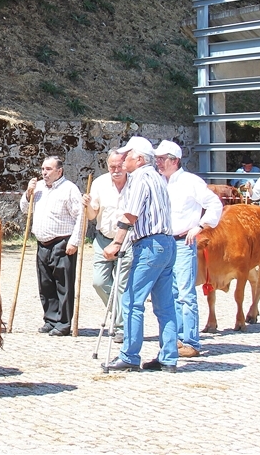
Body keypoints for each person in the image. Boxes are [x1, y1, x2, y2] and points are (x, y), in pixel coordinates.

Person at [101, 136, 178, 373]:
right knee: (165, 305)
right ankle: (168, 357)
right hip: (166, 243)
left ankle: (130, 356)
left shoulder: (141, 178)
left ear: (140, 159)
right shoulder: (158, 178)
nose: (124, 160)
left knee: (132, 301)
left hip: (150, 245)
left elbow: (130, 214)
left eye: (128, 156)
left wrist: (116, 243)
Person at [154, 140, 222, 358]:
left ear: (174, 161)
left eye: (162, 159)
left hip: (183, 241)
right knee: (171, 292)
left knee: (185, 292)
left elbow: (214, 204)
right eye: (157, 158)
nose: (158, 162)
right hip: (165, 241)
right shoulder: (158, 181)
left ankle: (191, 341)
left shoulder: (191, 182)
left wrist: (200, 226)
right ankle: (179, 338)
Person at [19, 156, 83, 337]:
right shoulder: (38, 187)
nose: (44, 173)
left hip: (62, 242)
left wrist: (74, 241)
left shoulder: (69, 189)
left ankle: (63, 323)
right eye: (42, 169)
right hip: (42, 242)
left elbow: (81, 216)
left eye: (48, 169)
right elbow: (25, 209)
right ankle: (50, 319)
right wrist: (28, 193)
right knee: (45, 284)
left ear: (59, 171)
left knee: (63, 284)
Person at [81, 149, 131, 343]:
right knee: (99, 282)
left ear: (125, 165)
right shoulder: (99, 183)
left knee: (122, 285)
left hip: (127, 239)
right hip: (103, 238)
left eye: (119, 166)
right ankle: (120, 316)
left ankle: (120, 326)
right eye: (112, 167)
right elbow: (93, 215)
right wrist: (86, 205)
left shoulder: (135, 184)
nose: (116, 170)